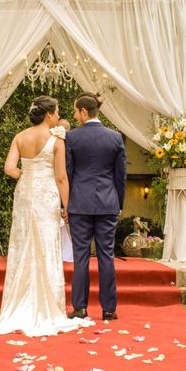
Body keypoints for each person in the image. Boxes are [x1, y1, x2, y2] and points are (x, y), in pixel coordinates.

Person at [0, 96, 92, 336]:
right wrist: (67, 205)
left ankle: (19, 303)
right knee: (46, 245)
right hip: (47, 194)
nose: (59, 115)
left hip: (25, 194)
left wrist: (26, 175)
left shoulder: (20, 137)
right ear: (49, 114)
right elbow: (61, 177)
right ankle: (47, 307)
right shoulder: (56, 140)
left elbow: (9, 169)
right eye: (57, 111)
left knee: (23, 245)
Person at [66, 92, 126, 321]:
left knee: (80, 256)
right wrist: (119, 203)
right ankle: (109, 310)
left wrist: (67, 202)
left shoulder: (72, 138)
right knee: (106, 255)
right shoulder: (115, 138)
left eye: (75, 111)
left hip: (79, 204)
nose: (74, 115)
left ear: (83, 111)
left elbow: (69, 174)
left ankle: (80, 309)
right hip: (108, 203)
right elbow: (120, 176)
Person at [57, 119, 74, 263]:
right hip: (53, 190)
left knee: (70, 228)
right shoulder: (51, 144)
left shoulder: (73, 146)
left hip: (71, 190)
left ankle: (70, 254)